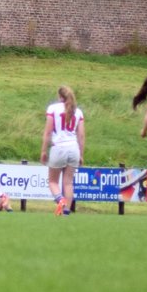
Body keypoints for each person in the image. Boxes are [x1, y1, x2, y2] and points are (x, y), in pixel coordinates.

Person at [41, 85, 85, 216]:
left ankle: (61, 200)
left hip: (59, 147)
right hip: (74, 148)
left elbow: (48, 132)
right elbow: (81, 135)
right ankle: (66, 212)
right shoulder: (78, 111)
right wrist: (81, 154)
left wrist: (44, 151)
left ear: (60, 96)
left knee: (52, 181)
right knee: (68, 183)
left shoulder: (53, 108)